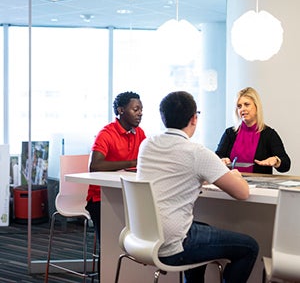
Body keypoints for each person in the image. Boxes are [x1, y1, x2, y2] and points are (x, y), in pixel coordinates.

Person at [136, 91, 259, 283]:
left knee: (204, 229)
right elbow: (242, 193)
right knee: (250, 247)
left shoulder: (147, 144)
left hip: (144, 237)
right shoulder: (196, 152)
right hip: (172, 245)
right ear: (194, 118)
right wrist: (235, 175)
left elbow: (174, 173)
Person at [85, 91, 146, 274]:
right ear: (121, 110)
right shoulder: (106, 133)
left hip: (128, 197)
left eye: (142, 109)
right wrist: (131, 163)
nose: (140, 113)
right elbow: (95, 165)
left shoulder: (140, 133)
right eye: (136, 109)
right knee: (111, 246)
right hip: (100, 198)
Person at [216, 87, 291, 174]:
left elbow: (286, 164)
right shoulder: (230, 133)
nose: (242, 109)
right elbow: (217, 156)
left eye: (247, 104)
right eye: (239, 106)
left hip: (260, 185)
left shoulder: (269, 134)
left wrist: (276, 161)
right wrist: (222, 160)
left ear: (256, 106)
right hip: (232, 184)